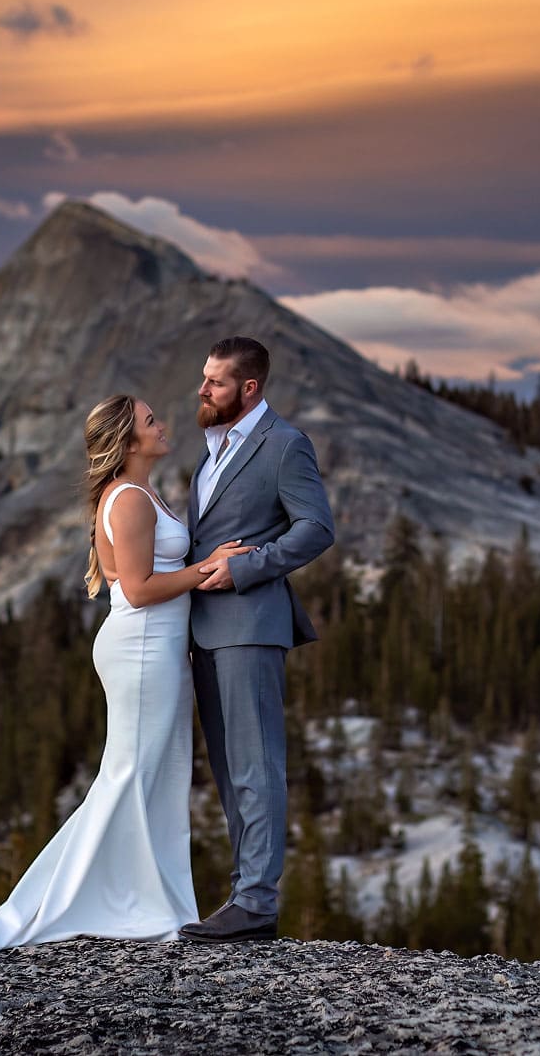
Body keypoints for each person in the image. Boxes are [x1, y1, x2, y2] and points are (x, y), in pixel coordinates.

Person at [0, 394, 248, 970]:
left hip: (153, 650)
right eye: (149, 421)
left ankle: (151, 901)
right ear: (127, 442)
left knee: (153, 775)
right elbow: (139, 589)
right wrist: (208, 566)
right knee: (131, 775)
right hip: (142, 651)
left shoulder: (137, 495)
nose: (161, 423)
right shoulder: (130, 503)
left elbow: (127, 576)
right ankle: (97, 904)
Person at [179, 335, 335, 943]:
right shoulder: (212, 447)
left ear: (249, 387)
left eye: (215, 382)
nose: (203, 389)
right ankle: (245, 895)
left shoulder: (285, 444)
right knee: (226, 767)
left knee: (256, 766)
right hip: (207, 632)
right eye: (203, 377)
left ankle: (257, 904)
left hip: (250, 625)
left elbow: (316, 529)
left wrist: (248, 566)